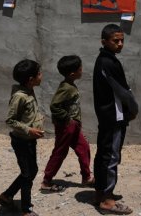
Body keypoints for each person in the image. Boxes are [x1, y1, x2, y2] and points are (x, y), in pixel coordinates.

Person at [93, 24, 138, 214]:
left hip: (109, 115)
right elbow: (122, 91)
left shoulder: (107, 60)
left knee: (104, 153)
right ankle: (106, 199)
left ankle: (101, 192)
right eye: (115, 41)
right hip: (113, 116)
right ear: (104, 42)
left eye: (122, 41)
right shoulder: (108, 63)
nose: (120, 44)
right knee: (111, 156)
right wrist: (133, 108)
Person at [40, 55, 94, 192]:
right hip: (66, 126)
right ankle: (46, 181)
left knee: (84, 148)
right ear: (72, 73)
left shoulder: (70, 85)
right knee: (60, 151)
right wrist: (68, 119)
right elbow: (54, 105)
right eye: (80, 69)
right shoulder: (66, 88)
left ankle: (86, 177)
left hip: (73, 126)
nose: (82, 70)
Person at [0, 59, 45, 216]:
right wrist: (29, 130)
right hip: (21, 141)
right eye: (39, 73)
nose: (41, 75)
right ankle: (26, 210)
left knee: (32, 171)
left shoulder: (29, 89)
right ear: (31, 79)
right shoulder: (19, 96)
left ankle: (7, 195)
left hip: (29, 140)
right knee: (27, 174)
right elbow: (10, 120)